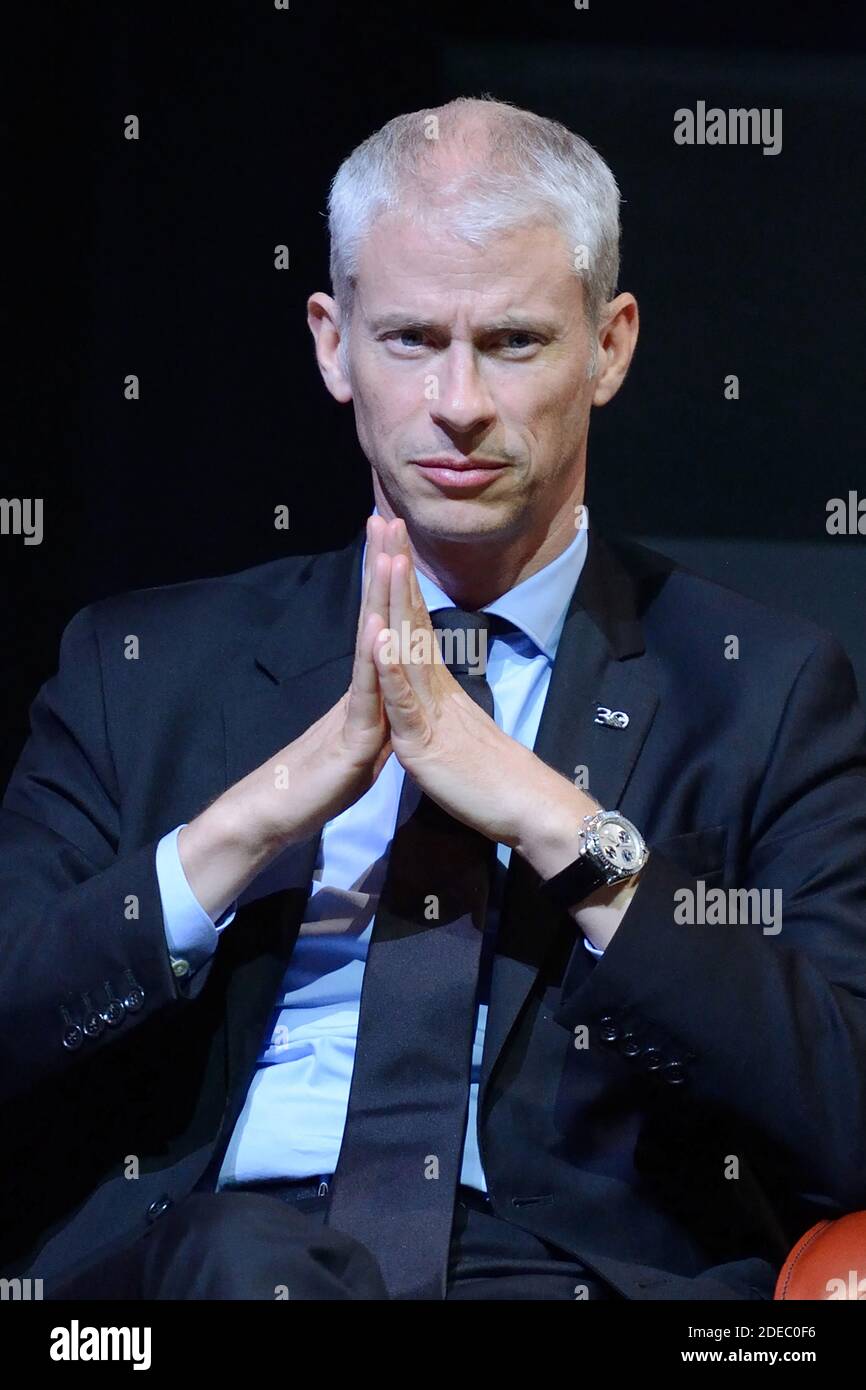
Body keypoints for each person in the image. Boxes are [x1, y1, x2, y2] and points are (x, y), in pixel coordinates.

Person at [3, 95, 866, 1302]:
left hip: (569, 1279)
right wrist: (250, 821)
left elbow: (840, 1101)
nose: (457, 401)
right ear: (330, 342)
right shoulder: (141, 663)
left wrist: (552, 820)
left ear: (608, 346)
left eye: (511, 342)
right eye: (410, 338)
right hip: (205, 1262)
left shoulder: (757, 686)